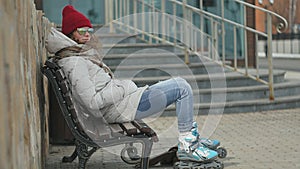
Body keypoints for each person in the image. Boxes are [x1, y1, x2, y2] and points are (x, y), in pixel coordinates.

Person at [46, 5, 220, 163]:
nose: (87, 34)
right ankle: (188, 144)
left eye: (89, 29)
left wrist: (122, 88)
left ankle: (189, 135)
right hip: (119, 108)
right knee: (181, 88)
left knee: (179, 85)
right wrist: (124, 87)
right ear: (70, 34)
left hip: (122, 104)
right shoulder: (75, 63)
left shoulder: (77, 57)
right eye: (82, 30)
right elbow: (92, 103)